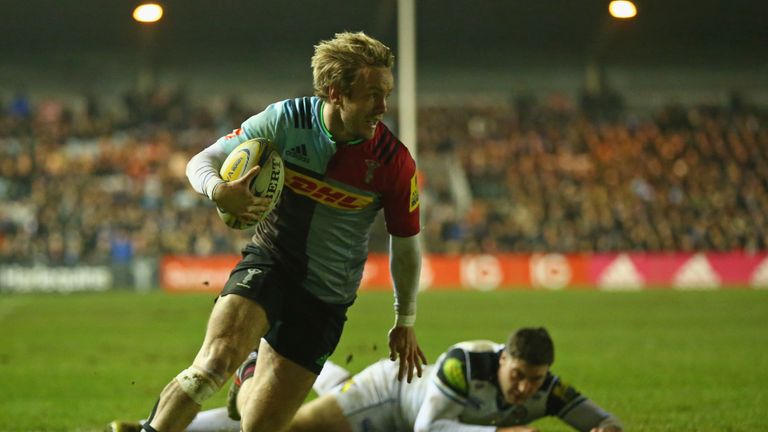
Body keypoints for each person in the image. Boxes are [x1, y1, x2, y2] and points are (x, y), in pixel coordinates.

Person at [111, 31, 427, 432]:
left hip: (327, 297)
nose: (383, 107)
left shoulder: (392, 162)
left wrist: (405, 318)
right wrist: (220, 190)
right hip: (271, 263)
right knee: (212, 363)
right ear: (335, 93)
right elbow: (201, 161)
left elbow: (405, 243)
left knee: (259, 424)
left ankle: (248, 375)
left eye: (387, 93)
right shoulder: (285, 120)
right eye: (372, 95)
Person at [112, 327, 623, 432]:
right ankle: (249, 370)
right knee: (278, 430)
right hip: (387, 399)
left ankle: (325, 372)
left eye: (535, 381)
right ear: (504, 360)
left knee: (324, 391)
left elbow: (605, 423)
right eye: (519, 376)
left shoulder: (549, 392)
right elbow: (428, 429)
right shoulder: (464, 363)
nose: (526, 389)